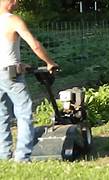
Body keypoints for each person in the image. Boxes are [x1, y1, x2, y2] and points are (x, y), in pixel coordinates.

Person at [0, 0, 59, 162]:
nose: (17, 2)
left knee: (2, 115)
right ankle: (22, 157)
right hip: (11, 76)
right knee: (24, 112)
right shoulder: (13, 20)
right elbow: (35, 45)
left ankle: (4, 156)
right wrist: (50, 62)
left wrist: (20, 64)